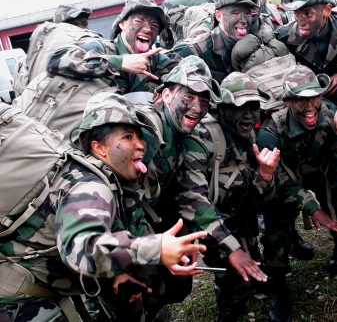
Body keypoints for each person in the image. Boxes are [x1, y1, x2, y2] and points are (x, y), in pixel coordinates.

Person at [0, 93, 208, 321]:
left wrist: (116, 275)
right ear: (99, 148)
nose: (140, 146)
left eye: (140, 137)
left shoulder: (112, 180)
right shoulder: (89, 187)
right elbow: (82, 249)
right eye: (128, 137)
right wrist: (155, 248)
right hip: (17, 297)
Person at [139, 56, 269, 307]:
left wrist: (265, 175)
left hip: (157, 222)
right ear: (166, 95)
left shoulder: (181, 132)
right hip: (117, 234)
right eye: (188, 96)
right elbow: (191, 196)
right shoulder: (149, 131)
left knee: (174, 289)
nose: (197, 108)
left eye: (204, 100)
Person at [174, 72, 279, 321]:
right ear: (222, 109)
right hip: (210, 220)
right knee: (233, 274)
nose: (248, 114)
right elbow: (194, 201)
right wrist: (232, 248)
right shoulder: (201, 139)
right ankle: (230, 310)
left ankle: (255, 280)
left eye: (253, 107)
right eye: (240, 107)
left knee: (252, 254)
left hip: (240, 212)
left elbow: (260, 196)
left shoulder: (250, 136)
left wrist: (266, 175)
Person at [258, 65, 337, 321]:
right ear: (289, 102)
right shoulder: (271, 132)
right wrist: (313, 208)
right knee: (275, 228)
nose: (309, 106)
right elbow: (278, 181)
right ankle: (278, 287)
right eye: (300, 100)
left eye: (314, 97)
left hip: (322, 173)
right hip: (286, 185)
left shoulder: (330, 114)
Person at [48, 0, 178, 94]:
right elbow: (57, 60)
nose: (148, 29)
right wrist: (119, 62)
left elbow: (183, 72)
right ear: (122, 24)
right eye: (139, 21)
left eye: (154, 26)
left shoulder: (156, 61)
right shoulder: (101, 48)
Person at [170, 0, 279, 83]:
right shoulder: (200, 47)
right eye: (235, 13)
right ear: (218, 16)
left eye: (247, 13)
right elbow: (166, 68)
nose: (243, 20)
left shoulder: (260, 41)